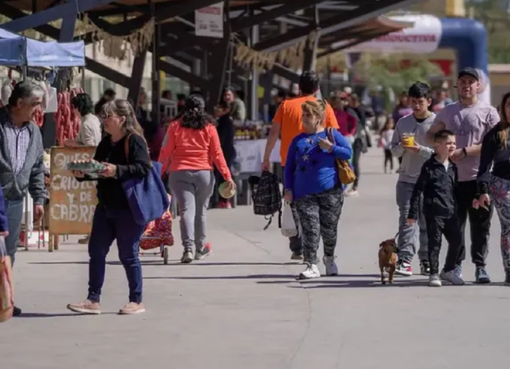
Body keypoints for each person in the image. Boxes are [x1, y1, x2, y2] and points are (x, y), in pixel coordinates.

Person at [67, 99, 151, 315]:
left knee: (128, 255)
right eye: (103, 116)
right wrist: (83, 174)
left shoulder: (134, 141)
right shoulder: (105, 142)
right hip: (105, 206)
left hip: (128, 208)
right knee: (96, 251)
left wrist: (117, 170)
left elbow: (143, 168)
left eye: (108, 116)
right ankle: (93, 299)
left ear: (122, 119)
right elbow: (97, 168)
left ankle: (136, 300)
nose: (104, 120)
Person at [427, 67, 500, 283]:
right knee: (454, 226)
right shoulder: (448, 112)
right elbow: (431, 134)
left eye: (471, 81)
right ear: (456, 85)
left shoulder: (488, 112)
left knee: (481, 226)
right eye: (463, 81)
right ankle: (455, 266)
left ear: (478, 86)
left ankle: (480, 267)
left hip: (480, 179)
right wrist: (443, 148)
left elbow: (494, 143)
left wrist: (466, 151)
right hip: (452, 180)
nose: (467, 85)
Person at [262, 71, 339, 261]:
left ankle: (297, 247)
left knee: (293, 201)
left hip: (290, 162)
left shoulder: (286, 105)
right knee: (315, 203)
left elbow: (273, 134)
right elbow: (334, 134)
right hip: (317, 162)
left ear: (299, 87)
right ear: (317, 88)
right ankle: (310, 243)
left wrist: (266, 158)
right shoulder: (323, 107)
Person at [159, 94, 236, 264]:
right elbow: (217, 154)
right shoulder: (209, 127)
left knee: (186, 210)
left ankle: (188, 248)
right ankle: (200, 249)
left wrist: (159, 173)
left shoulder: (174, 127)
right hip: (204, 174)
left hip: (179, 173)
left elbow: (166, 152)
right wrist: (227, 176)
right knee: (200, 211)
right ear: (203, 109)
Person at [284, 100, 352, 279]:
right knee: (310, 229)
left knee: (329, 230)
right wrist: (288, 188)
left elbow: (348, 153)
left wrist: (331, 148)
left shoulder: (331, 134)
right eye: (303, 115)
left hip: (331, 191)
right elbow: (289, 167)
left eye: (308, 115)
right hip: (303, 193)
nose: (304, 119)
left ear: (319, 118)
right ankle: (311, 264)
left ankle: (329, 258)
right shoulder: (297, 140)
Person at [0, 81, 47, 316]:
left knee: (8, 254)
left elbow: (37, 166)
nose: (38, 109)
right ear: (19, 103)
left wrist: (39, 199)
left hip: (16, 200)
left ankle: (3, 299)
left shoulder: (33, 131)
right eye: (35, 104)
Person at [407, 130, 464, 287]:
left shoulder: (453, 166)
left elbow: (456, 190)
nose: (452, 146)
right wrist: (412, 214)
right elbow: (418, 190)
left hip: (451, 211)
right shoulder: (429, 166)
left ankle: (448, 270)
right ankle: (434, 273)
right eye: (448, 143)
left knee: (458, 242)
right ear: (437, 145)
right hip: (434, 212)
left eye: (453, 143)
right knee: (435, 243)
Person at [390, 82, 436, 276]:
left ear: (429, 102)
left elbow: (443, 153)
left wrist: (421, 150)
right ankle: (405, 259)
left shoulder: (437, 123)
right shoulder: (403, 123)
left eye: (421, 102)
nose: (417, 106)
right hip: (407, 179)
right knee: (408, 220)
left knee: (427, 222)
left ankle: (425, 260)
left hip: (430, 181)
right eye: (413, 101)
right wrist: (402, 146)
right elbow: (393, 150)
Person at [476, 92, 510, 285]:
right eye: (509, 105)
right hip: (502, 185)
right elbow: (484, 166)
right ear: (503, 109)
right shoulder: (496, 134)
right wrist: (483, 190)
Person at [65, 92, 103, 245]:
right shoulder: (93, 119)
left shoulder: (86, 123)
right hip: (94, 166)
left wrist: (73, 144)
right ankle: (91, 233)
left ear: (78, 107)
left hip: (90, 168)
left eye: (73, 107)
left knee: (90, 202)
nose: (72, 111)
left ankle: (92, 234)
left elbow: (89, 146)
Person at [212, 101, 236, 209]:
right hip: (226, 152)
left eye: (219, 107)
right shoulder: (224, 121)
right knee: (223, 176)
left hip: (224, 153)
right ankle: (224, 200)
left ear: (226, 110)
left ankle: (224, 200)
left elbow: (220, 140)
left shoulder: (224, 122)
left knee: (222, 177)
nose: (217, 109)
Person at [345, 93, 369, 197]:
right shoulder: (347, 110)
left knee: (355, 162)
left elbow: (362, 124)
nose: (348, 102)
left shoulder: (360, 110)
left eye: (350, 100)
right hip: (349, 138)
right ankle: (346, 185)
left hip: (358, 139)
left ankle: (355, 186)